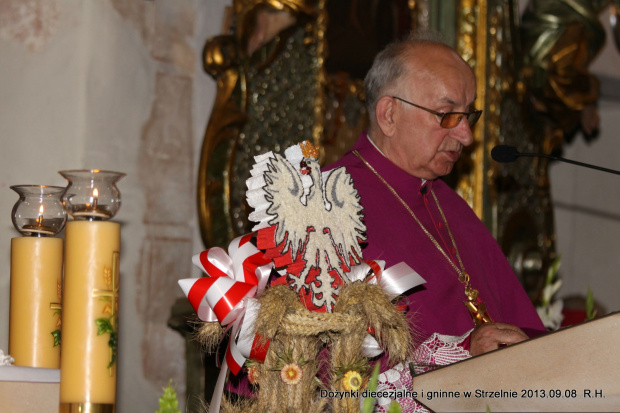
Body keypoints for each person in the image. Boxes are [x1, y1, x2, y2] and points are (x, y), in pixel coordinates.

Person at [327, 32, 546, 411]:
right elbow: (332, 369)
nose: (466, 135)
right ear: (389, 114)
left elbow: (526, 331)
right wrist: (462, 353)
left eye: (468, 115)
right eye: (448, 115)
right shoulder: (326, 205)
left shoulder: (450, 205)